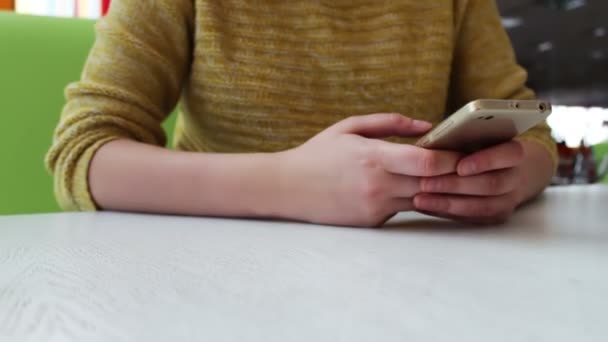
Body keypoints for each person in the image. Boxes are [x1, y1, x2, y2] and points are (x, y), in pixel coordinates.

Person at [46, 0, 557, 227]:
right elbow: (85, 157)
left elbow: (535, 141)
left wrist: (507, 181)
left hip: (412, 288)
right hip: (208, 282)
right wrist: (290, 183)